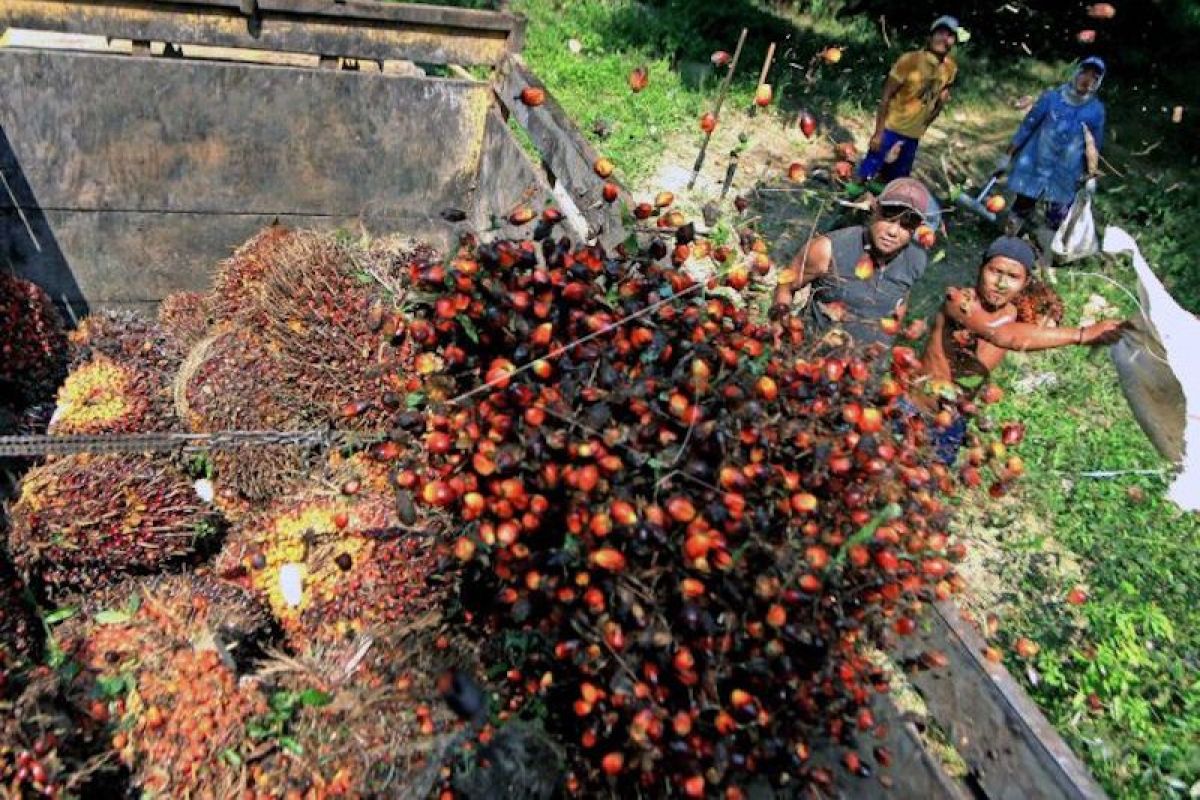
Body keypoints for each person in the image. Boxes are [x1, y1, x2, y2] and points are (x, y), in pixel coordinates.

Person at [912, 236, 1123, 460]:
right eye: (995, 271)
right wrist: (1081, 335)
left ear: (1024, 283)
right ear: (981, 268)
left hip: (952, 421)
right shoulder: (960, 301)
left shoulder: (1013, 313)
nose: (1001, 283)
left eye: (1013, 277)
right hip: (916, 410)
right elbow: (1001, 335)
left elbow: (1036, 322)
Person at [771, 178, 933, 347]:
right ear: (875, 208)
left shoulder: (915, 259)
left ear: (918, 228)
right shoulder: (828, 249)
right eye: (888, 217)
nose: (893, 231)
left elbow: (899, 302)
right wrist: (778, 325)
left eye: (906, 224)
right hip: (814, 357)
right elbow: (785, 285)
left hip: (870, 367)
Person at [999, 57, 1107, 232]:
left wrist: (1091, 175)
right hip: (1037, 163)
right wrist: (1007, 155)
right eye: (1084, 73)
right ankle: (1007, 241)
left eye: (1094, 77)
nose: (1087, 80)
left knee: (1056, 217)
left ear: (1098, 83)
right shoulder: (1052, 98)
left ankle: (1044, 254)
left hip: (1066, 172)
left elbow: (1093, 146)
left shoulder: (1096, 111)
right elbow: (1028, 125)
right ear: (1076, 73)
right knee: (1022, 205)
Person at [857, 15, 960, 183]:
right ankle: (850, 205)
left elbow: (944, 93)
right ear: (930, 37)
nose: (944, 39)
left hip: (912, 137)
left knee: (895, 183)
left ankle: (877, 208)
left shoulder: (950, 68)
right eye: (940, 33)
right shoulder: (910, 61)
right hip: (891, 129)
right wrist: (878, 133)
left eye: (949, 35)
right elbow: (886, 96)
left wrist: (930, 118)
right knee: (868, 174)